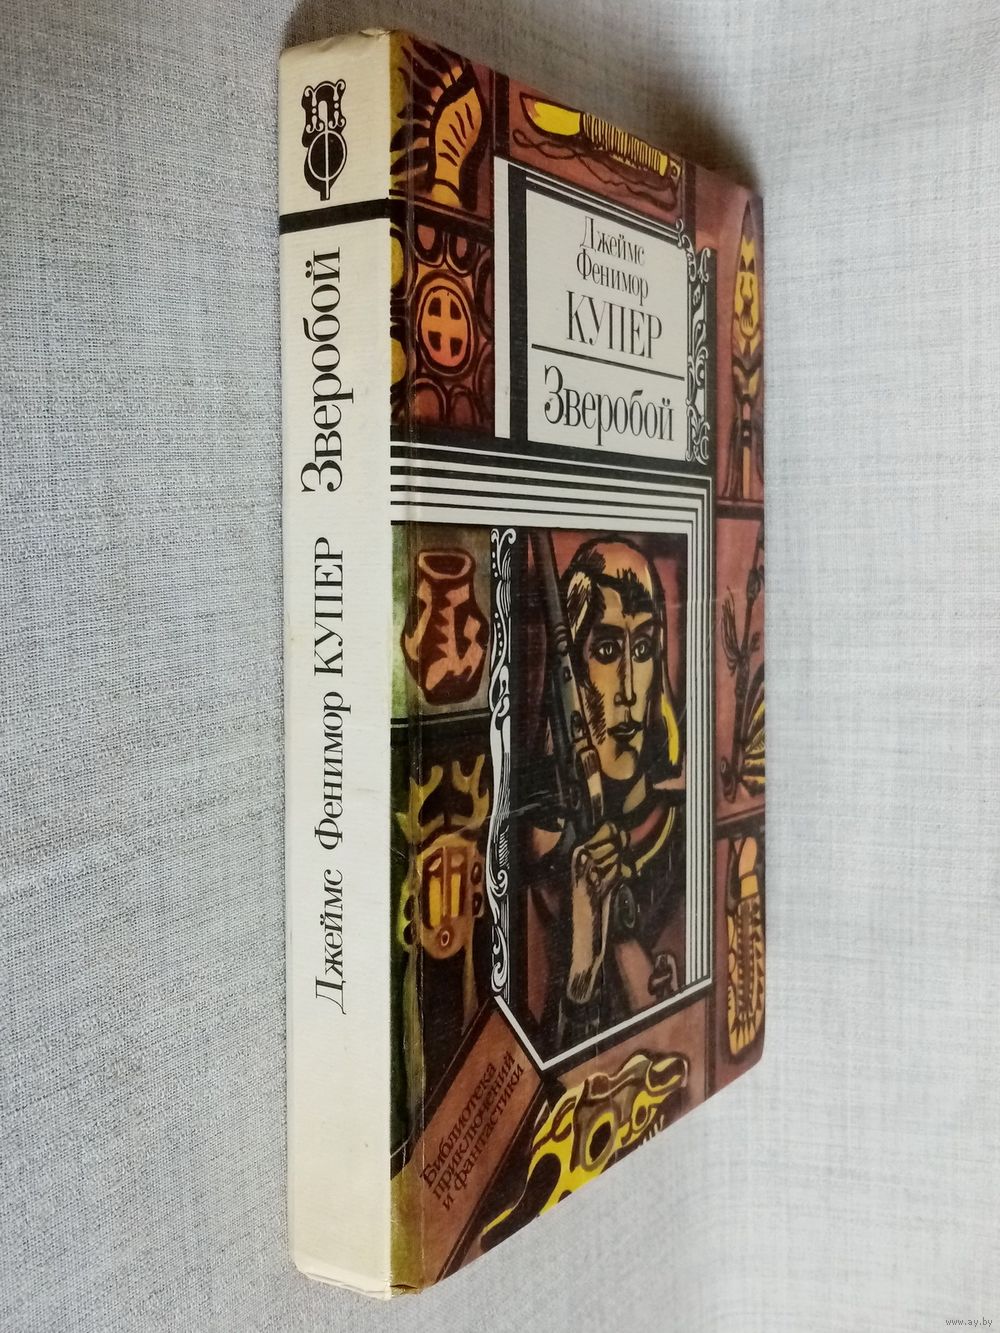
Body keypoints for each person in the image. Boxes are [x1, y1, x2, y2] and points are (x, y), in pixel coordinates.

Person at [526, 536, 687, 1050]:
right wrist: (582, 978)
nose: (628, 689)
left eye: (642, 650)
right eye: (606, 650)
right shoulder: (534, 860)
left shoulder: (680, 834)